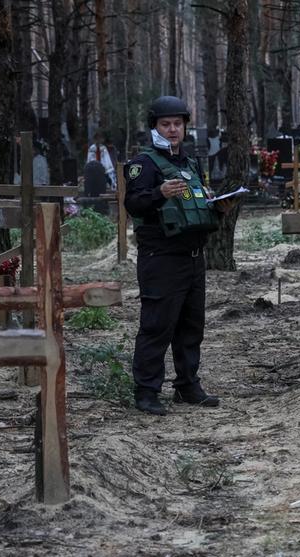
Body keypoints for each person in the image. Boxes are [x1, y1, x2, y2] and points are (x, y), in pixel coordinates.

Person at [123, 96, 235, 415]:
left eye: (178, 124)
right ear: (154, 127)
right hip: (161, 256)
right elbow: (133, 204)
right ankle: (146, 391)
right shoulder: (142, 164)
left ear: (186, 126)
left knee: (191, 325)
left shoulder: (190, 163)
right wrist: (159, 193)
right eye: (165, 124)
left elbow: (194, 202)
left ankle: (188, 385)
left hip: (192, 256)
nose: (172, 130)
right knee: (157, 325)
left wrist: (217, 206)